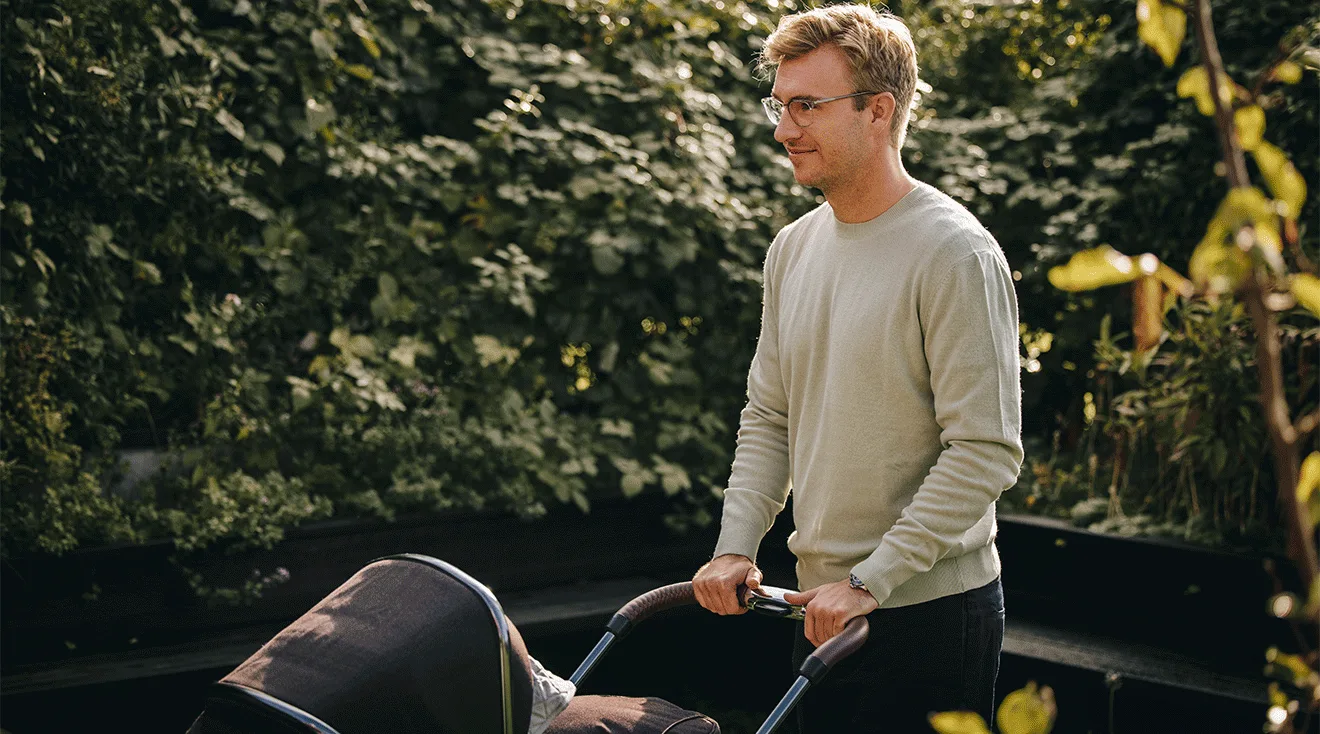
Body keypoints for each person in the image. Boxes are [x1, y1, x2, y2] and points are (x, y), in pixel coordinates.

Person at [690, 4, 1024, 733]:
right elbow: (770, 416)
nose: (783, 128)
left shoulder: (954, 252)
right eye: (779, 105)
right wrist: (735, 545)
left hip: (928, 616)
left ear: (880, 110)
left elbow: (986, 451)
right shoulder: (792, 249)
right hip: (819, 608)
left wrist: (873, 579)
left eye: (806, 105)